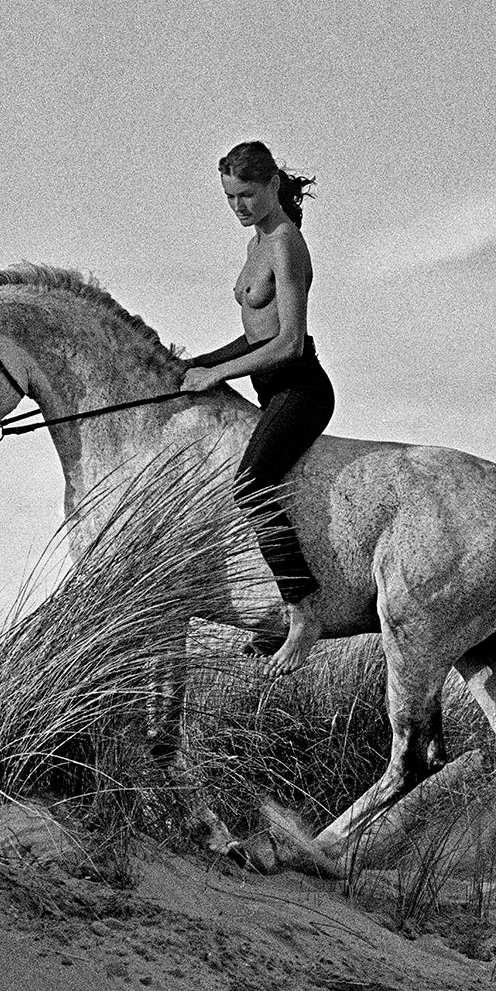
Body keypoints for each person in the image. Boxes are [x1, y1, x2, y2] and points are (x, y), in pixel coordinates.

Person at [180, 141, 335, 675]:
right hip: (270, 387)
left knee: (250, 484)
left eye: (246, 194)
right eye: (229, 197)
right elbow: (254, 334)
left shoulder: (286, 244)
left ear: (272, 185)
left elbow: (289, 341)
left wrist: (217, 374)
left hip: (301, 389)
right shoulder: (256, 243)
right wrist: (194, 363)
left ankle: (302, 614)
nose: (239, 206)